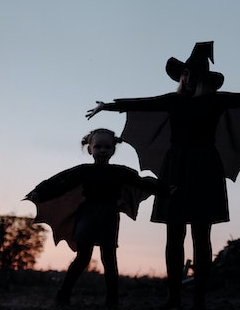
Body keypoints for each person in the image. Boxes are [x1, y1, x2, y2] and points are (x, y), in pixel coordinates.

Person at [86, 41, 240, 310]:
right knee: (174, 234)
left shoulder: (216, 101)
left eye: (191, 74)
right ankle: (173, 297)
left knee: (201, 234)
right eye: (184, 74)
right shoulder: (173, 101)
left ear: (202, 79)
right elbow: (143, 103)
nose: (186, 78)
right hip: (174, 169)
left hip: (206, 168)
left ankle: (199, 300)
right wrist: (107, 106)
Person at [25, 128, 165, 309]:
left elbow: (141, 182)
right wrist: (41, 194)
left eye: (107, 147)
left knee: (109, 259)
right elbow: (62, 185)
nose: (103, 150)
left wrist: (164, 189)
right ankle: (63, 294)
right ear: (90, 149)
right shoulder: (83, 171)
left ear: (113, 149)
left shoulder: (121, 172)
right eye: (98, 146)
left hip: (109, 217)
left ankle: (112, 300)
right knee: (83, 257)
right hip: (87, 216)